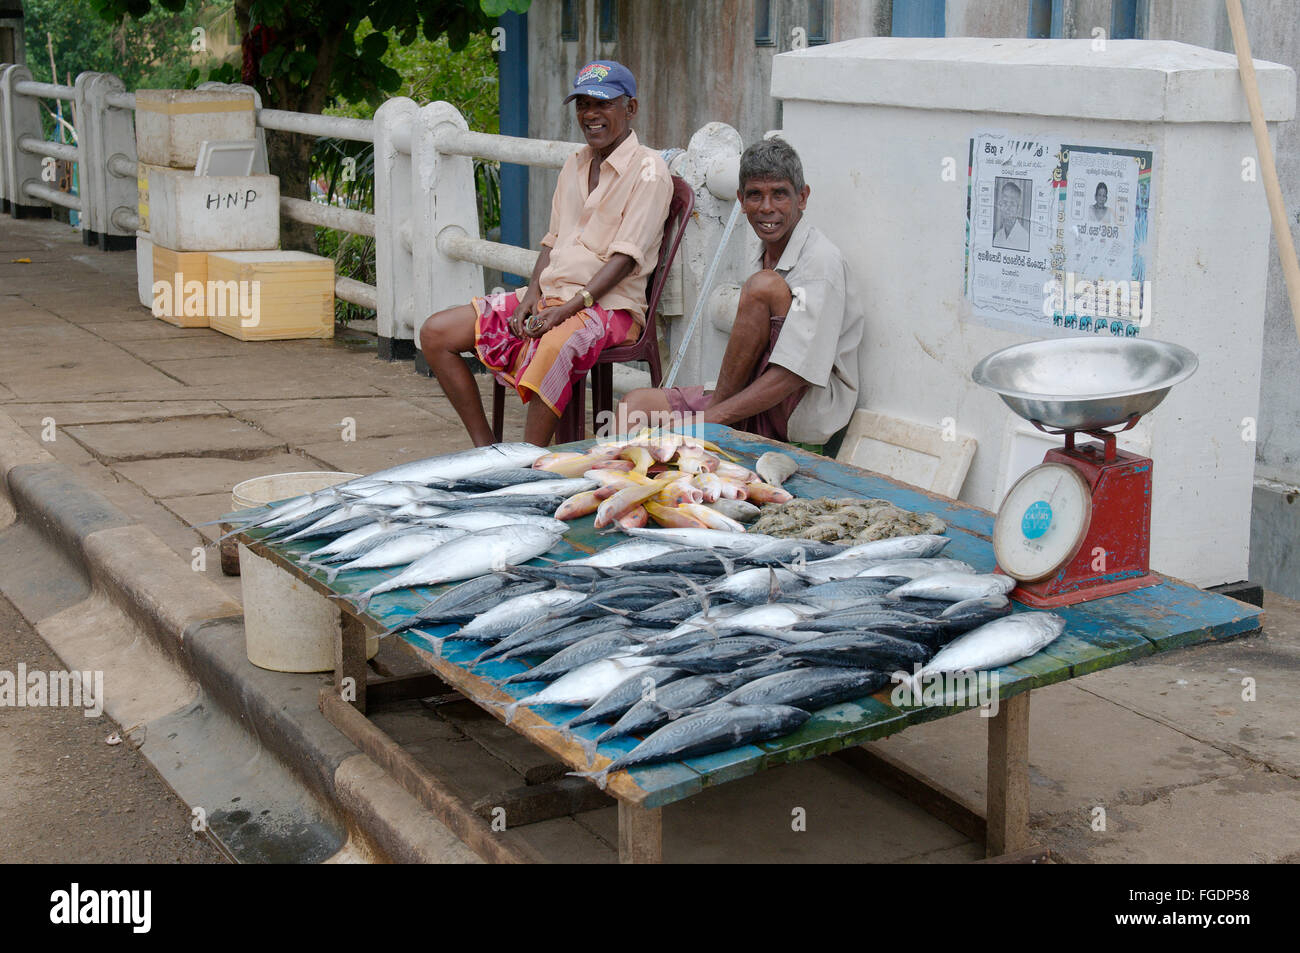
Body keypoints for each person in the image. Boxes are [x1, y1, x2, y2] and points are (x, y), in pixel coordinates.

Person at [419, 60, 671, 447]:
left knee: (554, 345)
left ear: (630, 108)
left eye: (602, 104)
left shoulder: (650, 171)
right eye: (583, 105)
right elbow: (552, 241)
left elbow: (625, 260)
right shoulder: (575, 163)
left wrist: (566, 309)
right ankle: (487, 450)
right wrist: (532, 295)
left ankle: (527, 463)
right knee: (435, 333)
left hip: (610, 307)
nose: (591, 115)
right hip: (552, 297)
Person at [617, 136, 863, 454]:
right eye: (755, 196)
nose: (767, 208)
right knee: (633, 406)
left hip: (799, 409)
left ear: (802, 197)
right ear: (740, 200)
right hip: (750, 395)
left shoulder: (820, 264)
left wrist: (712, 417)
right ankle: (622, 487)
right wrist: (713, 413)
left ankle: (712, 426)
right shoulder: (760, 249)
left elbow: (792, 376)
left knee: (763, 287)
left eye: (779, 195)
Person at [993, 179, 1031, 251]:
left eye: (1012, 204)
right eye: (1005, 202)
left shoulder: (1025, 238)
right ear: (1000, 205)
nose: (1008, 208)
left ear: (1018, 209)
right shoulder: (998, 236)